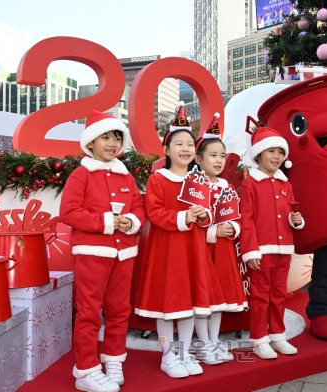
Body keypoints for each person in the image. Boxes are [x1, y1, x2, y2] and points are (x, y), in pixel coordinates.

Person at [134, 102, 226, 378]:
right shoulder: (158, 180)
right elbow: (154, 212)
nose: (185, 148)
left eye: (189, 144)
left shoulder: (199, 181)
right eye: (179, 144)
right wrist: (184, 217)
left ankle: (184, 353)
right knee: (167, 307)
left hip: (193, 250)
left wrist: (202, 216)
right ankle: (167, 355)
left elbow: (210, 215)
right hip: (167, 251)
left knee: (190, 305)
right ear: (167, 150)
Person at [59, 110, 145, 392]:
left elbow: (139, 210)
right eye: (105, 136)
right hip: (93, 253)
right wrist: (107, 222)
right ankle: (85, 370)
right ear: (91, 142)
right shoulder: (80, 174)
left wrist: (131, 222)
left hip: (124, 254)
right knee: (89, 312)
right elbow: (69, 212)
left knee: (120, 309)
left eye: (117, 137)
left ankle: (114, 359)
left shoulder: (126, 176)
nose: (112, 143)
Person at [240, 125, 303, 360]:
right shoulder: (250, 184)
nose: (276, 156)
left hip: (283, 249)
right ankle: (259, 338)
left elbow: (289, 216)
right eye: (271, 151)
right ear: (258, 155)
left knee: (279, 295)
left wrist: (296, 220)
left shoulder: (286, 185)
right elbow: (246, 220)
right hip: (261, 251)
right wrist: (251, 250)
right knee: (260, 296)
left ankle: (277, 335)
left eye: (280, 152)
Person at [193, 113, 247, 365]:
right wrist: (213, 232)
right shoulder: (193, 185)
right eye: (212, 155)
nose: (218, 160)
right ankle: (203, 343)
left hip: (223, 252)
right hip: (201, 250)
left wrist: (232, 229)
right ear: (199, 158)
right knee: (203, 299)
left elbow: (236, 216)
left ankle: (214, 341)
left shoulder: (226, 186)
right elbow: (191, 222)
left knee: (219, 300)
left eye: (222, 156)